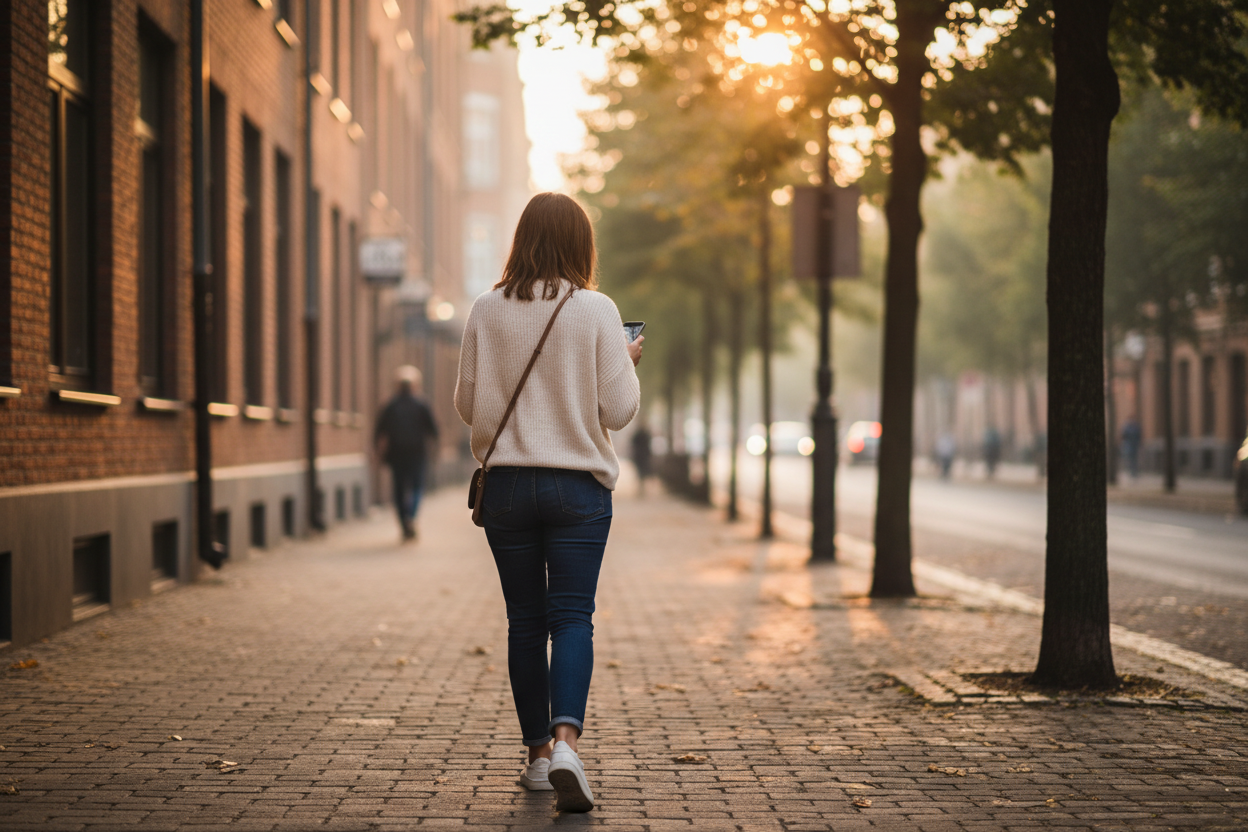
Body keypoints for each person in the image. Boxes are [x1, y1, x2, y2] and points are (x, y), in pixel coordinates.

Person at [454, 193, 642, 813]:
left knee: (525, 623)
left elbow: (467, 402)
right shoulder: (595, 310)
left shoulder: (486, 308)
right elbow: (618, 409)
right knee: (571, 617)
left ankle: (537, 757)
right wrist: (625, 360)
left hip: (506, 487)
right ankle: (567, 744)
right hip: (577, 488)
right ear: (581, 244)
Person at [374, 365, 439, 541]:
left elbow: (379, 431)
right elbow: (434, 431)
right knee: (417, 487)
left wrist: (379, 454)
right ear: (415, 385)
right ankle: (411, 515)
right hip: (417, 454)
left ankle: (404, 522)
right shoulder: (421, 404)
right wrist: (434, 451)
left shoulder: (390, 405)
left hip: (396, 454)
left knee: (399, 490)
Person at [630, 425, 653, 496]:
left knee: (641, 472)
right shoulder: (645, 434)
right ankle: (642, 487)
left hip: (640, 456)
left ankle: (642, 487)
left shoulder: (639, 435)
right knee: (641, 472)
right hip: (642, 456)